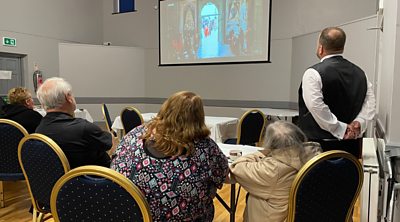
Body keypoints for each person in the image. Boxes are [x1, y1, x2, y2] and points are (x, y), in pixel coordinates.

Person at [111, 91, 229, 221]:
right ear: (198, 117)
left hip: (128, 213)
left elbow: (115, 159)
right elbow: (222, 175)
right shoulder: (205, 146)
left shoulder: (135, 134)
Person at [297, 27, 376, 158]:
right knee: (350, 177)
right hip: (352, 146)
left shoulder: (312, 73)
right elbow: (370, 102)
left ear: (321, 48)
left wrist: (342, 129)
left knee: (317, 178)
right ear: (342, 47)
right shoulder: (361, 73)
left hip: (318, 148)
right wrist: (358, 123)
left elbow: (316, 107)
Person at [230, 121, 322, 221]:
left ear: (271, 144)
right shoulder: (315, 155)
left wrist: (261, 153)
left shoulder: (272, 169)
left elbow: (237, 167)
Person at [35, 77, 117, 169]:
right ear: (68, 97)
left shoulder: (39, 129)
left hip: (58, 181)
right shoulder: (83, 128)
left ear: (43, 104)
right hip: (95, 179)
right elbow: (110, 144)